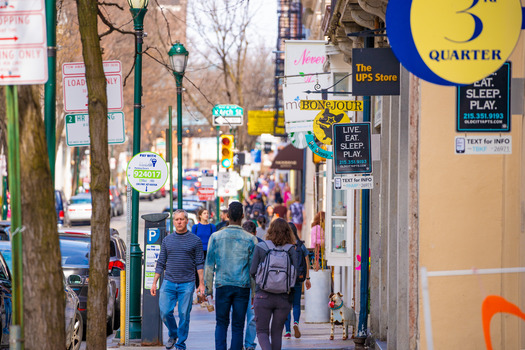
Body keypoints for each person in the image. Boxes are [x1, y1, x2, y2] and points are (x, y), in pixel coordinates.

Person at [204, 202, 258, 350]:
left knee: (221, 323)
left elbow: (209, 266)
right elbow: (253, 270)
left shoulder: (215, 237)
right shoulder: (251, 239)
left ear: (227, 215)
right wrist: (254, 292)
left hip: (222, 284)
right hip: (242, 286)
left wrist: (208, 290)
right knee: (238, 325)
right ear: (242, 216)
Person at [151, 209, 205, 350]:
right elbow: (161, 262)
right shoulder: (167, 240)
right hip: (168, 281)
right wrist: (154, 282)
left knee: (183, 315)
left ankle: (180, 344)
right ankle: (173, 334)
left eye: (182, 219)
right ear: (173, 222)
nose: (179, 222)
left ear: (187, 221)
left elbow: (200, 263)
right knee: (164, 311)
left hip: (187, 283)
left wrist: (201, 284)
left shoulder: (195, 241)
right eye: (177, 219)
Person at [250, 218, 298, 350]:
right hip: (283, 297)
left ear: (270, 230)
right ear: (288, 232)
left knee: (262, 332)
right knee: (277, 333)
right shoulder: (291, 249)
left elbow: (253, 271)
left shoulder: (261, 247)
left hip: (263, 296)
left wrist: (263, 282)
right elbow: (296, 273)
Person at [284, 222, 311, 339]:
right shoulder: (301, 245)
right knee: (296, 304)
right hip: (298, 279)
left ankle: (288, 331)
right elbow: (307, 262)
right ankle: (296, 323)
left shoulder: (284, 245)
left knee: (286, 305)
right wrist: (308, 278)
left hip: (285, 280)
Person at [240, 221, 261, 350]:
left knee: (252, 317)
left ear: (255, 234)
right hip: (241, 284)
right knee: (240, 316)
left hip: (254, 286)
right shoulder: (238, 243)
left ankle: (249, 344)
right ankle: (241, 342)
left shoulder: (261, 245)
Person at [192, 208, 216, 290]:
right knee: (198, 271)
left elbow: (214, 240)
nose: (206, 215)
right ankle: (198, 290)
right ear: (200, 215)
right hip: (198, 252)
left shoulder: (212, 227)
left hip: (209, 251)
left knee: (208, 271)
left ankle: (208, 289)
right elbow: (193, 240)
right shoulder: (196, 227)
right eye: (204, 213)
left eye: (207, 213)